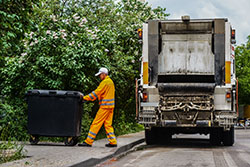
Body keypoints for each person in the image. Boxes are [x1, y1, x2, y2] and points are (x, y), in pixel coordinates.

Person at [78, 67, 117, 147]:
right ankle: (113, 141)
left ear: (103, 74)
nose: (100, 76)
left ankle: (88, 141)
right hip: (110, 107)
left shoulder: (105, 82)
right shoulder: (110, 82)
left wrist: (85, 98)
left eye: (100, 75)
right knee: (108, 124)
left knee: (96, 123)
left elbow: (96, 93)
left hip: (105, 107)